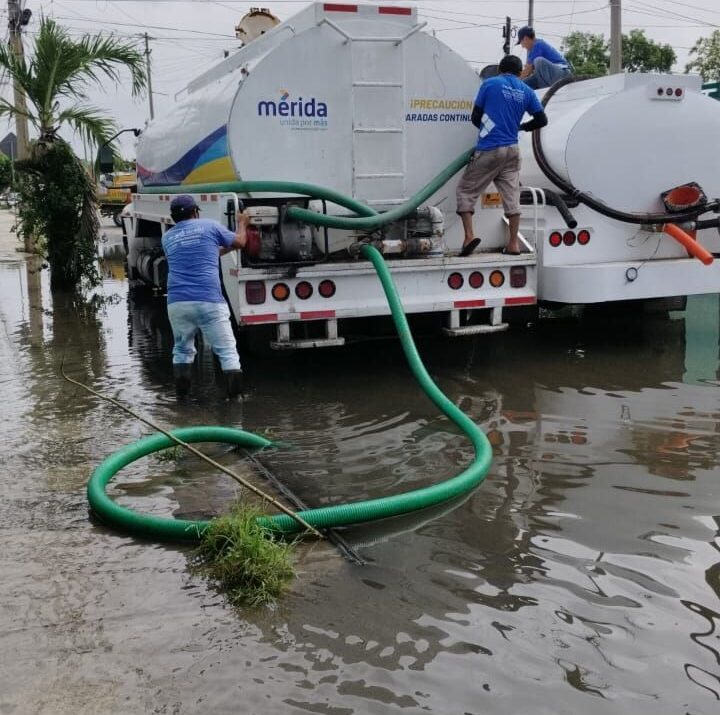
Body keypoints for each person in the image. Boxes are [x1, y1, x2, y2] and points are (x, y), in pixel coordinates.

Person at [456, 53, 548, 256]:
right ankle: (513, 244)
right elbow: (542, 119)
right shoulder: (527, 91)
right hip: (512, 150)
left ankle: (469, 237)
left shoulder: (490, 84)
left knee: (465, 190)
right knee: (512, 197)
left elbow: (475, 116)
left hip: (490, 147)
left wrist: (487, 129)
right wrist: (521, 127)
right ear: (519, 72)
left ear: (500, 69)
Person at [161, 194, 250, 398]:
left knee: (182, 350)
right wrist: (242, 223)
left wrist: (219, 249)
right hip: (209, 301)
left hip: (177, 302)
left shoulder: (167, 237)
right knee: (227, 352)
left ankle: (182, 402)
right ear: (195, 212)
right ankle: (236, 408)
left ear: (173, 217)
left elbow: (200, 253)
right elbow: (241, 241)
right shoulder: (209, 226)